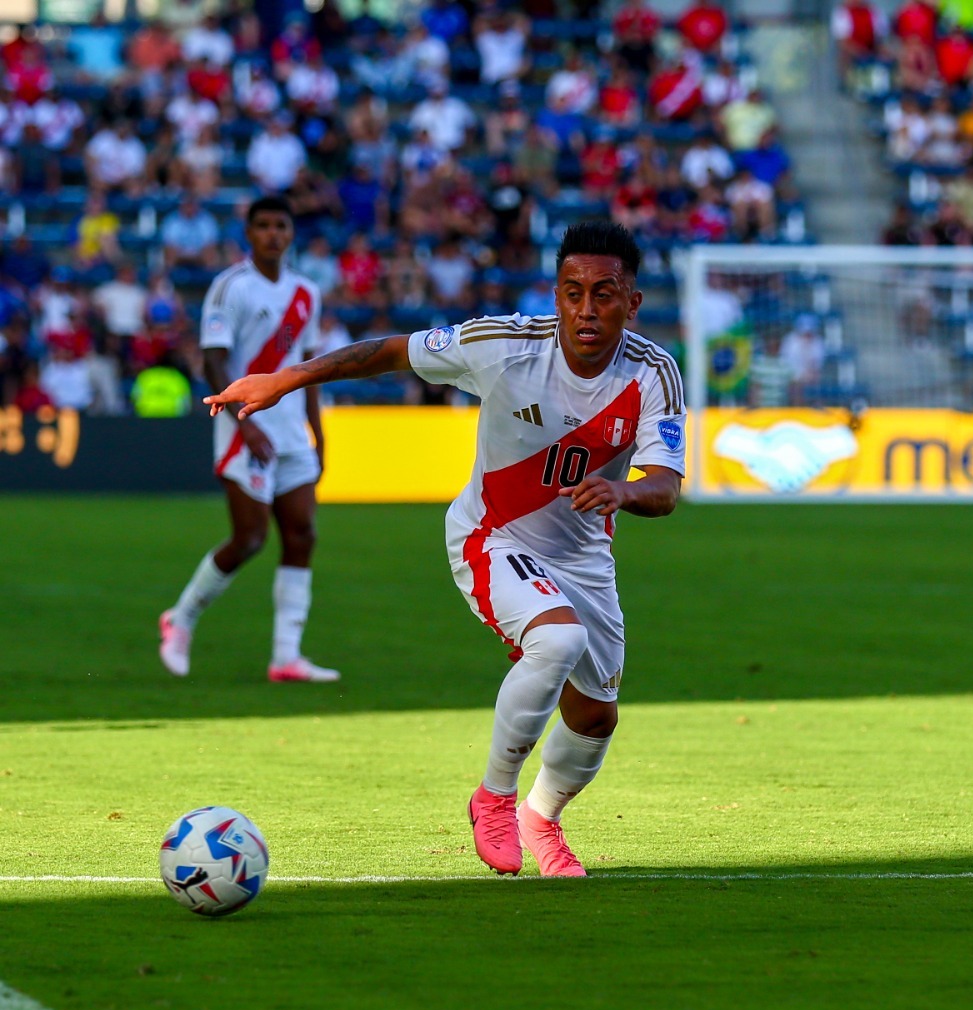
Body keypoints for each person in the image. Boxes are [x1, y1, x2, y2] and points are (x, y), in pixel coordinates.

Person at [202, 221, 686, 879]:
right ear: (556, 295)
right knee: (558, 638)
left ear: (632, 302)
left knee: (596, 716)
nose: (586, 309)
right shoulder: (503, 345)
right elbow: (387, 352)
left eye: (604, 294)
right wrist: (285, 380)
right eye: (572, 292)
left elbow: (664, 487)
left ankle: (541, 818)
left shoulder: (654, 372)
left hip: (583, 557)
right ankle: (494, 797)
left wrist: (624, 492)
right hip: (492, 535)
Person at [159, 196, 337, 684]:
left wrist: (319, 432)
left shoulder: (306, 292)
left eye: (281, 226)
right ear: (249, 233)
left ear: (291, 234)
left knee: (302, 534)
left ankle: (286, 657)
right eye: (264, 226)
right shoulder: (230, 287)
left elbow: (309, 370)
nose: (273, 234)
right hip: (246, 429)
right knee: (251, 537)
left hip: (292, 433)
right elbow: (214, 360)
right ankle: (181, 618)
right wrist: (245, 423)